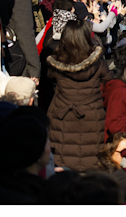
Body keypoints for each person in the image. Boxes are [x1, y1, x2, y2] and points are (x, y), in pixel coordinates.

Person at [45, 19, 111, 170]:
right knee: (91, 168)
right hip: (92, 118)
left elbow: (46, 91)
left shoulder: (54, 63)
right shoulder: (97, 62)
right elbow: (110, 84)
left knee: (63, 170)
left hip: (61, 118)